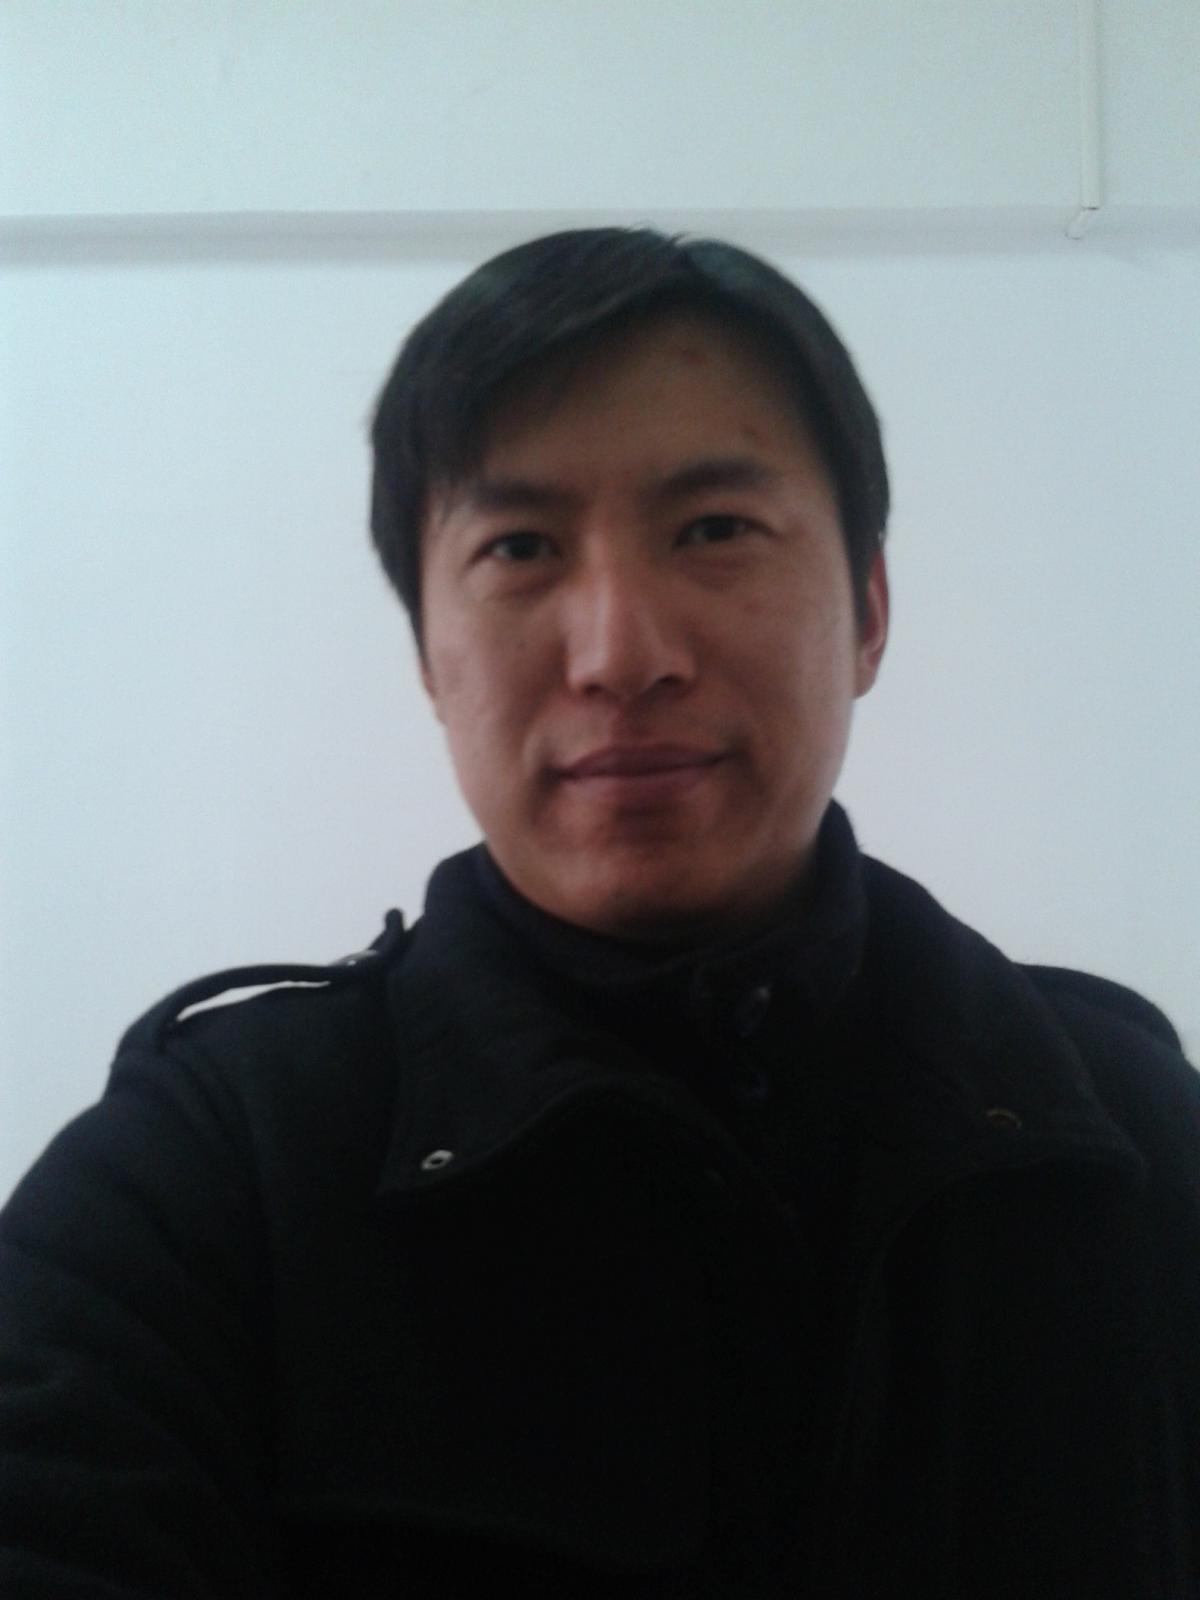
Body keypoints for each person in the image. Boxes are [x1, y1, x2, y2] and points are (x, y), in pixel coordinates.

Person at [1, 227, 1196, 1599]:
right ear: (429, 655)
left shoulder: (1128, 1138)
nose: (622, 654)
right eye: (520, 547)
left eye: (715, 530)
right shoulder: (203, 1181)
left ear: (868, 609)